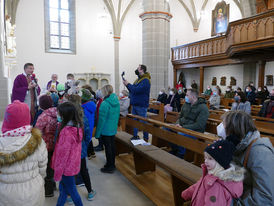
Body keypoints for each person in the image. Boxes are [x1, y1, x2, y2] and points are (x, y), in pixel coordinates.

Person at [0, 100, 47, 206]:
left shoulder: (1, 143)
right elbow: (42, 169)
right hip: (33, 192)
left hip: (6, 196)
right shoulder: (38, 141)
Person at [221, 111, 274, 205]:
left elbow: (265, 198)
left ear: (234, 130)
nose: (221, 130)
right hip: (235, 196)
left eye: (224, 127)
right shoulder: (236, 145)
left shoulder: (260, 153)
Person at [181, 140, 244, 206]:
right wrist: (186, 194)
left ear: (220, 162)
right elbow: (199, 185)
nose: (205, 161)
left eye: (210, 159)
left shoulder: (215, 186)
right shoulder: (211, 175)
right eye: (205, 158)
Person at [51, 102, 84, 206]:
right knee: (63, 190)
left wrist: (57, 173)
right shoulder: (77, 127)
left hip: (65, 168)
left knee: (72, 191)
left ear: (65, 115)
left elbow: (62, 156)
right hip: (72, 165)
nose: (57, 115)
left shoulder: (66, 132)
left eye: (59, 114)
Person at [67, 94, 96, 201]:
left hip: (69, 150)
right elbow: (88, 133)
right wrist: (85, 144)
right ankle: (90, 192)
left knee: (70, 172)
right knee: (84, 170)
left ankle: (70, 196)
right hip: (80, 148)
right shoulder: (82, 117)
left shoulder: (65, 117)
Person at [171, 89, 209, 157]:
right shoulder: (186, 104)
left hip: (196, 132)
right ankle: (174, 149)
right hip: (183, 127)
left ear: (193, 97)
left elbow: (199, 125)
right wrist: (177, 124)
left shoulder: (203, 107)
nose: (185, 96)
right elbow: (180, 117)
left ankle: (181, 154)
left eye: (187, 95)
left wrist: (183, 127)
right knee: (167, 129)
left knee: (180, 133)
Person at [35, 94, 57, 197]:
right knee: (52, 166)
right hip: (57, 144)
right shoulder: (58, 112)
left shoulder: (43, 116)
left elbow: (37, 132)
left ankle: (48, 191)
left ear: (42, 104)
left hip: (46, 146)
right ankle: (53, 185)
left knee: (47, 168)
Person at [95, 85, 120, 173]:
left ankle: (110, 166)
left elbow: (101, 120)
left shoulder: (105, 103)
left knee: (108, 148)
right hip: (113, 127)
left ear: (105, 92)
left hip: (105, 129)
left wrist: (97, 133)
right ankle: (112, 163)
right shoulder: (116, 101)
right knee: (112, 146)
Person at [123, 64, 151, 141]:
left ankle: (145, 138)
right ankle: (135, 136)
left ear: (142, 70)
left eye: (138, 68)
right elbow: (133, 90)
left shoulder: (145, 80)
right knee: (134, 122)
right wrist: (127, 85)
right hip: (135, 104)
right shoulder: (138, 80)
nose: (136, 70)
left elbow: (136, 90)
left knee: (143, 123)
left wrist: (128, 84)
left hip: (141, 105)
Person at [81, 89, 96, 159]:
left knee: (86, 139)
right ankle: (92, 152)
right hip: (91, 124)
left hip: (86, 125)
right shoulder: (92, 104)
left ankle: (88, 154)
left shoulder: (84, 107)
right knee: (89, 138)